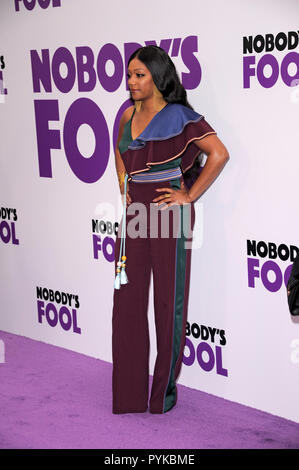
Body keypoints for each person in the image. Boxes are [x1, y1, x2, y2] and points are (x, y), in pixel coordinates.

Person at [112, 45, 229, 414]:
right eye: (129, 74)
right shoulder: (127, 115)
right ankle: (128, 395)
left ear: (159, 77)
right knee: (127, 303)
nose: (131, 81)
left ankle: (162, 393)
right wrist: (125, 188)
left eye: (139, 75)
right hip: (135, 216)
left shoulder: (180, 115)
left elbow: (219, 153)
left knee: (168, 302)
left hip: (169, 214)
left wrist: (188, 195)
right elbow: (120, 154)